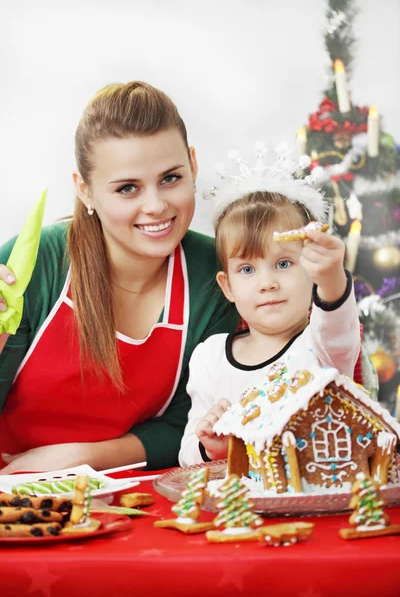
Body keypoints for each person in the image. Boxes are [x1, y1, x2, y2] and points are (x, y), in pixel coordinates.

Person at [0, 81, 238, 474]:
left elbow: (196, 423)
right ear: (85, 190)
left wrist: (80, 458)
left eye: (171, 178)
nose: (156, 205)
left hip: (132, 495)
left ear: (193, 164)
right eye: (128, 188)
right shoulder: (35, 263)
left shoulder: (214, 274)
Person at [179, 147, 377, 466]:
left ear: (311, 270)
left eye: (284, 263)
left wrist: (331, 279)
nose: (267, 282)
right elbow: (187, 453)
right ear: (226, 285)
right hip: (240, 510)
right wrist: (209, 448)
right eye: (247, 269)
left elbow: (339, 329)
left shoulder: (321, 346)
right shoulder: (210, 358)